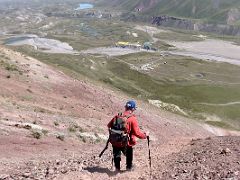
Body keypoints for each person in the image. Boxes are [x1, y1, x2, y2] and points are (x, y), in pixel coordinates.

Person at [107, 100, 148, 171]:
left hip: (114, 140)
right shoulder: (132, 119)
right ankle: (129, 168)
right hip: (125, 142)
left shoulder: (118, 115)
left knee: (116, 154)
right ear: (133, 109)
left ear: (125, 107)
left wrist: (115, 134)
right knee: (129, 154)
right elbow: (137, 133)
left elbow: (109, 126)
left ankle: (117, 169)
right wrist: (145, 135)